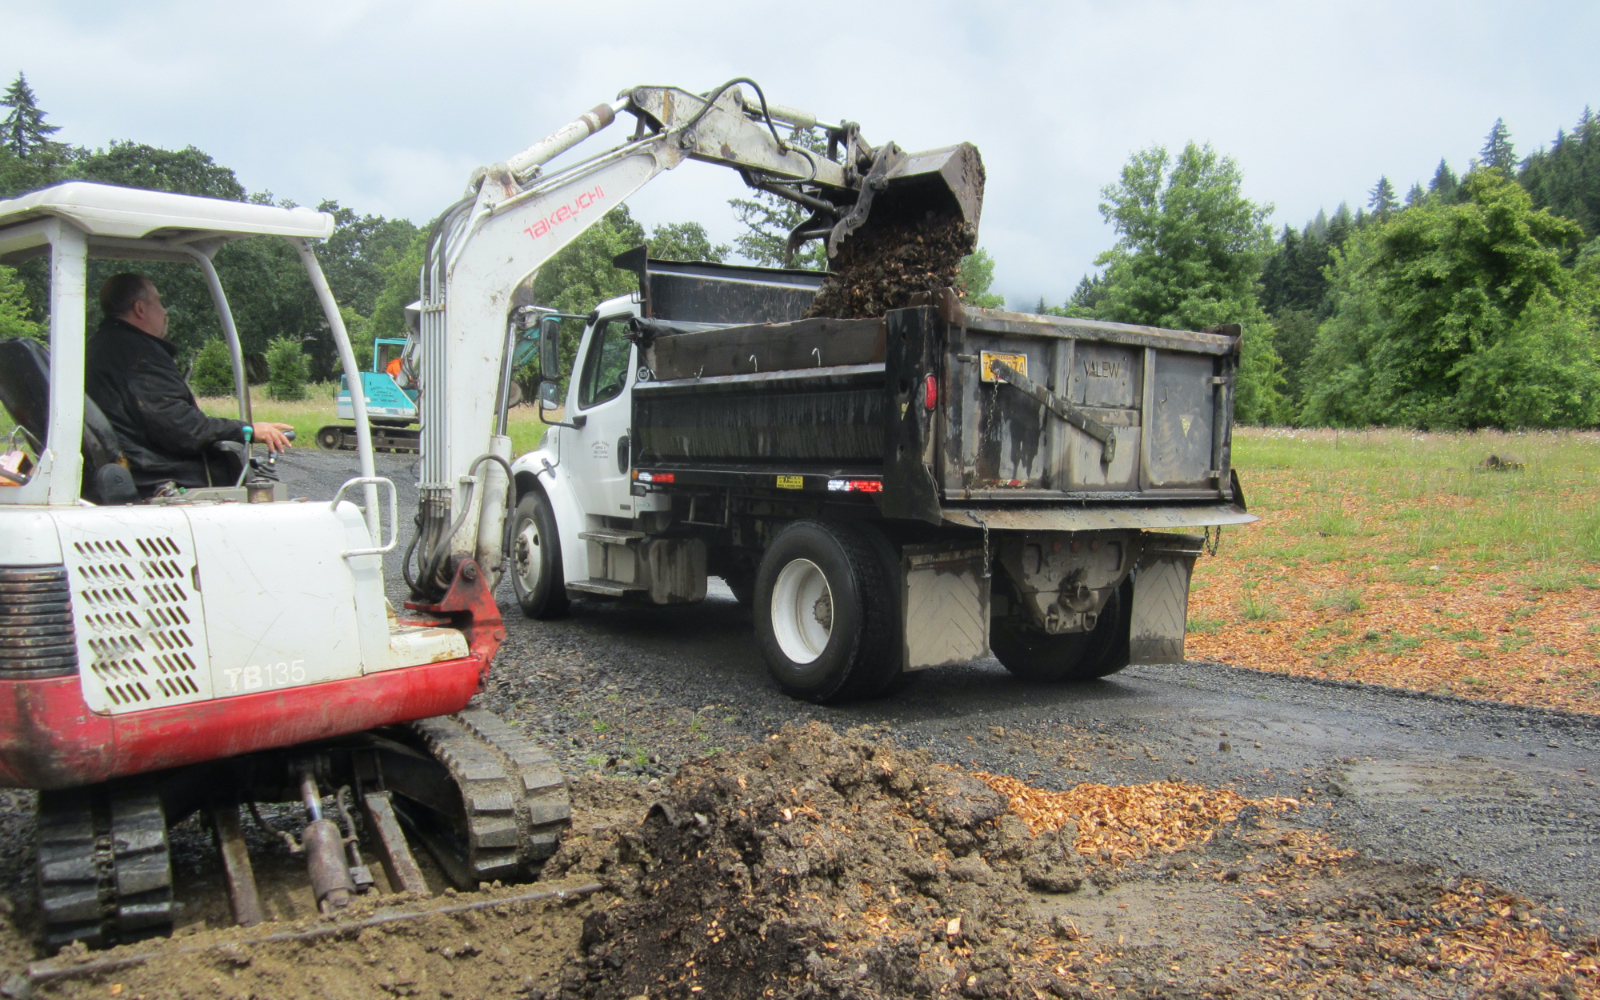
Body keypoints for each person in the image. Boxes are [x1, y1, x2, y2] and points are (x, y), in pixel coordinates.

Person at [85, 273, 294, 496]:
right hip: (161, 478)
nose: (165, 312)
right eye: (158, 301)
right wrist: (247, 430)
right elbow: (180, 428)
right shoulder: (138, 356)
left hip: (136, 469)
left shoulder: (101, 346)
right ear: (140, 309)